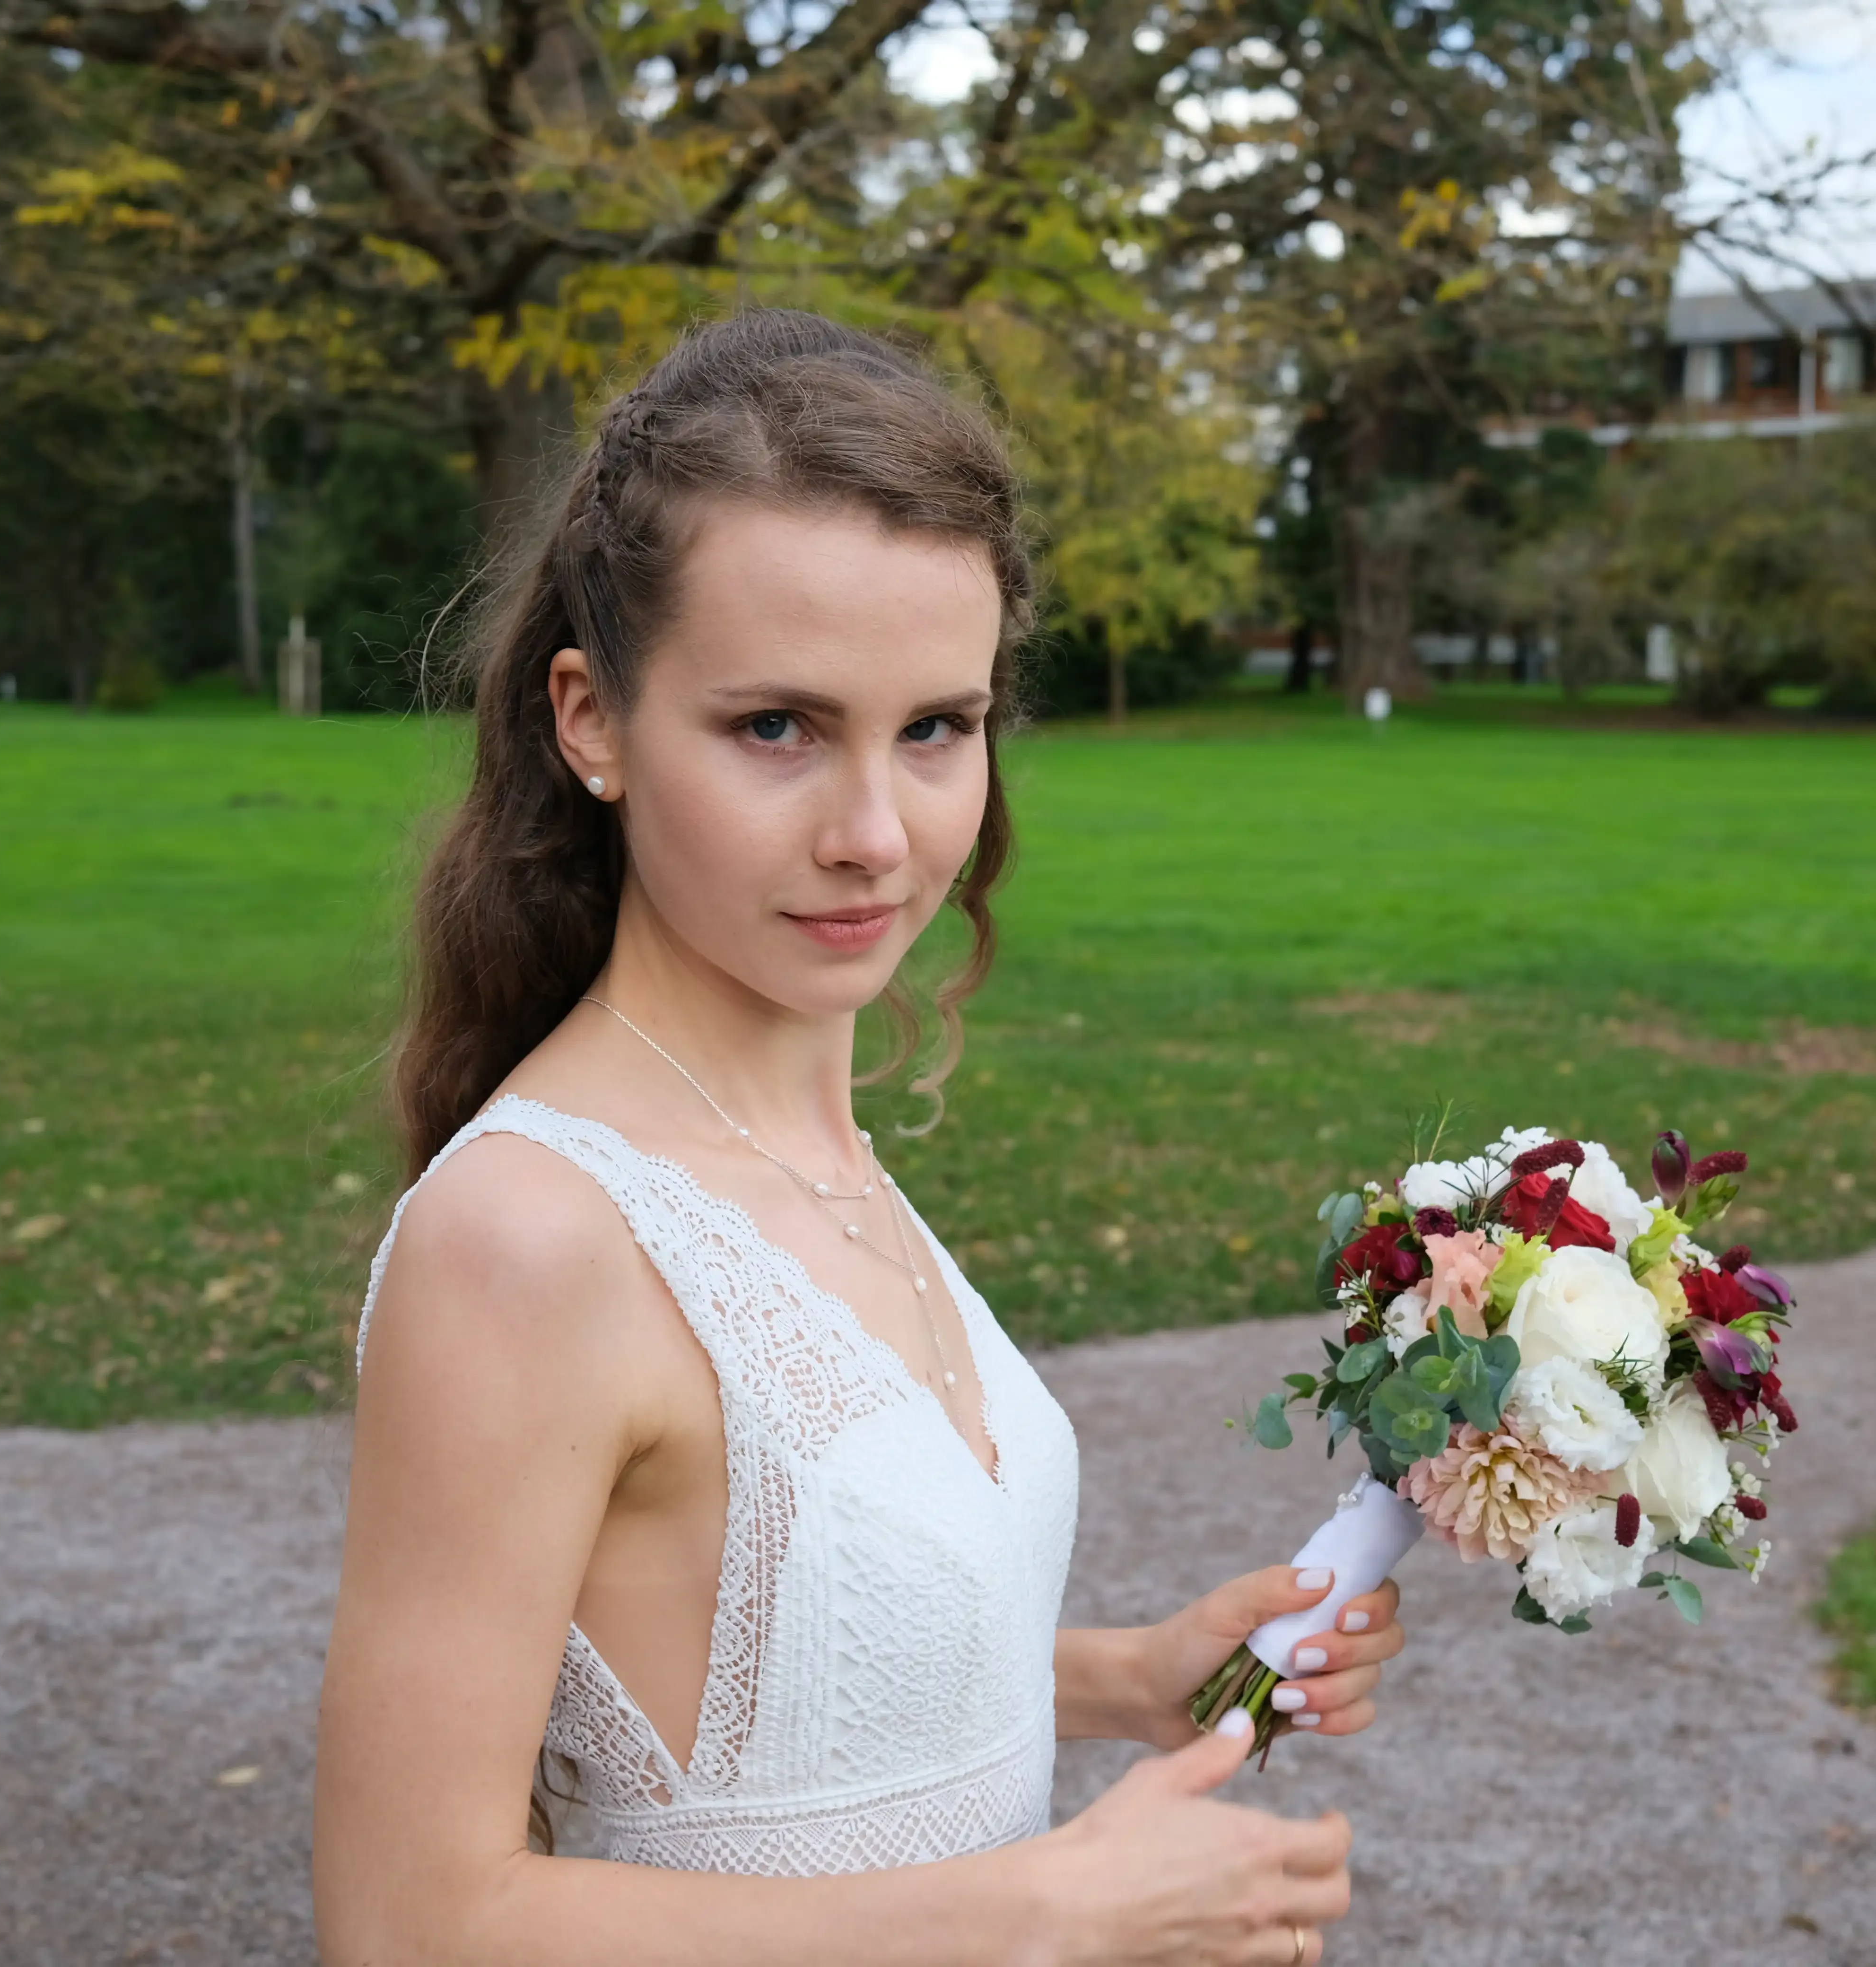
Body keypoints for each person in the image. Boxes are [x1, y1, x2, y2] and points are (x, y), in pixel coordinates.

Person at [314, 310, 1406, 1967]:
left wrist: (1126, 1674)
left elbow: (750, 1689)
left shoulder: (819, 1152)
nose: (877, 837)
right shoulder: (530, 1238)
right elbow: (408, 1922)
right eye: (777, 728)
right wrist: (1036, 1915)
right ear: (589, 720)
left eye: (935, 728)